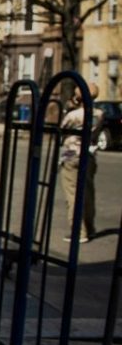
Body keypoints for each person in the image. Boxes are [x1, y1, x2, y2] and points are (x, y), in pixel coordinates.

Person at [59, 82, 103, 243]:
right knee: (88, 192)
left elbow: (62, 129)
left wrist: (71, 106)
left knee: (72, 193)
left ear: (78, 97)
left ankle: (79, 231)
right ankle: (90, 228)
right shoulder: (99, 114)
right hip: (88, 153)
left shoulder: (74, 115)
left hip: (71, 152)